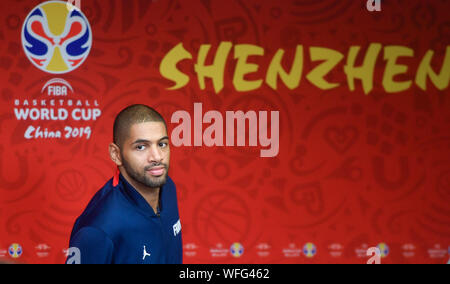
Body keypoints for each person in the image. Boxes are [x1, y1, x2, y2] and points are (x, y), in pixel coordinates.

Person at [66, 104, 182, 264]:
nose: (157, 157)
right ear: (116, 154)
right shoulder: (97, 229)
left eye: (162, 144)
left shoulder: (168, 187)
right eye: (141, 147)